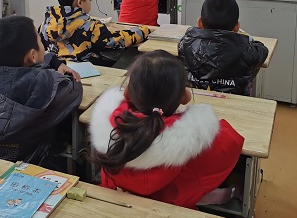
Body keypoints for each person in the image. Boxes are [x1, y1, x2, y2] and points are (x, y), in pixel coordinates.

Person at [89, 50, 244, 209]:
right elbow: (231, 142)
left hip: (111, 208)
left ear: (127, 93)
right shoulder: (197, 139)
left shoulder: (109, 127)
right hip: (172, 213)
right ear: (185, 96)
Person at [0, 15, 83, 167]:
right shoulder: (43, 82)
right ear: (33, 55)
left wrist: (52, 61)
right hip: (25, 166)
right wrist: (55, 67)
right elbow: (74, 90)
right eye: (40, 41)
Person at [39, 0, 150, 66]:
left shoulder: (46, 23)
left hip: (58, 69)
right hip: (85, 72)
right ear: (80, 2)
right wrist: (143, 31)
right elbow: (116, 40)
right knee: (131, 57)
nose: (90, 2)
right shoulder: (90, 27)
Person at [178, 0, 268, 96]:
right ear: (237, 27)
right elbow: (263, 50)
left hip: (196, 102)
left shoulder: (186, 44)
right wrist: (244, 38)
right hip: (233, 104)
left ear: (200, 23)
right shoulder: (246, 50)